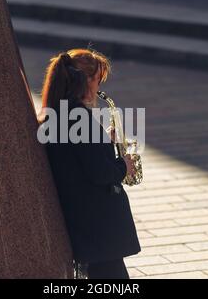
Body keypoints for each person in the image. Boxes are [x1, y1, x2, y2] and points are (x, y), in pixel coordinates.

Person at [38, 48, 141, 279]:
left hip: (83, 217)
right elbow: (100, 172)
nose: (99, 88)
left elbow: (78, 154)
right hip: (97, 222)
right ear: (85, 81)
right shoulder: (78, 116)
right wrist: (123, 165)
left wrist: (103, 138)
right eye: (98, 80)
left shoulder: (60, 112)